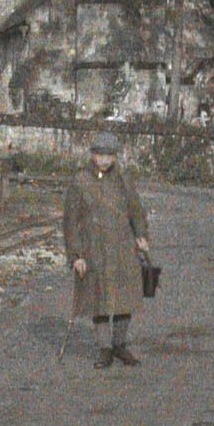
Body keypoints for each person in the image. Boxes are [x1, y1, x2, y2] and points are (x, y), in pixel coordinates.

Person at [63, 128, 152, 367]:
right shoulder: (80, 181)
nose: (104, 160)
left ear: (115, 157)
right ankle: (104, 349)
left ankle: (120, 345)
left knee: (125, 298)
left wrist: (141, 235)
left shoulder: (124, 180)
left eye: (109, 155)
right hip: (94, 250)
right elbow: (70, 223)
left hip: (123, 249)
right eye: (99, 154)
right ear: (92, 154)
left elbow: (137, 211)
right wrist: (76, 255)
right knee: (99, 299)